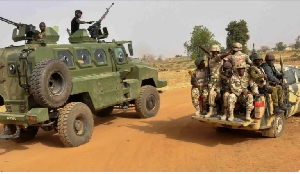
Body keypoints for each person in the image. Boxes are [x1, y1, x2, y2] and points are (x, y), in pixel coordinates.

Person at [199, 45, 231, 118]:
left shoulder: (218, 57)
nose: (214, 53)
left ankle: (221, 111)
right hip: (212, 79)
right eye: (213, 52)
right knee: (210, 94)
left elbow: (221, 56)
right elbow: (208, 52)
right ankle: (212, 110)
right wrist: (202, 48)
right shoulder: (211, 56)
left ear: (218, 52)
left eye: (215, 52)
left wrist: (226, 54)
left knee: (218, 95)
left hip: (218, 79)